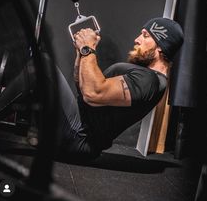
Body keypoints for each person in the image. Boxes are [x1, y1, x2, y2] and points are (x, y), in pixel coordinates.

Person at [56, 17, 184, 160]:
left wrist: (88, 48)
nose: (137, 39)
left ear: (161, 46)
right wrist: (82, 51)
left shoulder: (149, 81)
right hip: (77, 127)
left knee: (42, 63)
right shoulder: (148, 77)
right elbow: (83, 86)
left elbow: (92, 93)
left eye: (145, 35)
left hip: (78, 137)